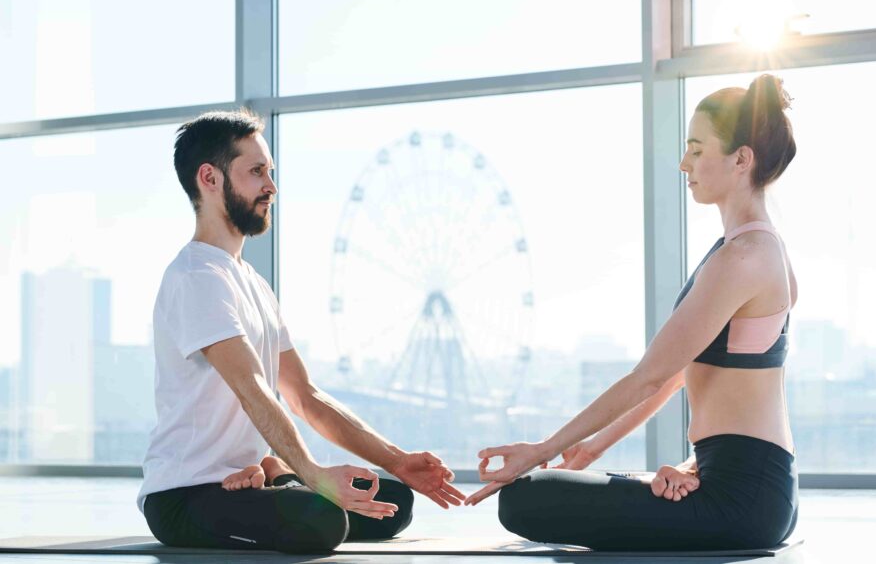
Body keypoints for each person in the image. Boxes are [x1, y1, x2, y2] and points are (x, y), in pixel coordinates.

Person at [467, 74, 799, 551]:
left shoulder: (742, 258)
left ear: (741, 159)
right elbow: (677, 376)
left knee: (527, 498)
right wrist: (596, 448)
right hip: (752, 487)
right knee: (562, 488)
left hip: (743, 498)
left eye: (697, 149)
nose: (684, 162)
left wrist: (540, 451)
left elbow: (649, 375)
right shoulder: (755, 250)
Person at [138, 110, 465, 554]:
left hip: (245, 485)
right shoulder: (196, 277)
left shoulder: (250, 281)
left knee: (393, 500)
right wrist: (311, 474)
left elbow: (305, 396)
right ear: (209, 178)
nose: (271, 186)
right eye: (256, 172)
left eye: (269, 172)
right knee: (323, 522)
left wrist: (397, 461)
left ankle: (277, 477)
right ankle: (284, 480)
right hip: (186, 495)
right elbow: (252, 387)